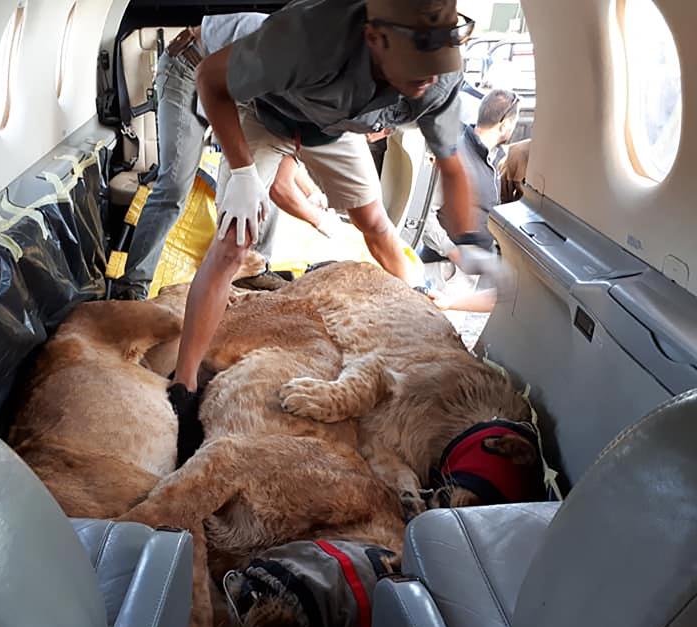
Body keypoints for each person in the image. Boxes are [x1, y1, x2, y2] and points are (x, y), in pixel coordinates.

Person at [168, 0, 495, 452]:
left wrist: (472, 239)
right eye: (419, 70)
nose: (430, 80)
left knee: (376, 223)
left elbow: (453, 166)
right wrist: (242, 173)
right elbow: (210, 80)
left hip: (331, 128)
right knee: (233, 244)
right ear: (376, 37)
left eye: (437, 68)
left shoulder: (437, 80)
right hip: (265, 111)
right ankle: (182, 388)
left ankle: (419, 314)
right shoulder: (307, 38)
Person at [112, 13, 339, 299]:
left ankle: (252, 269)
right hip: (189, 68)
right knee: (174, 185)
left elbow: (279, 149)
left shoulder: (317, 77)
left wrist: (311, 190)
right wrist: (318, 219)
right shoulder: (290, 52)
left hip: (236, 89)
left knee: (260, 174)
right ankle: (133, 283)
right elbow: (282, 185)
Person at [421, 88, 520, 311]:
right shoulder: (456, 156)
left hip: (466, 273)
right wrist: (453, 252)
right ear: (504, 125)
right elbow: (425, 215)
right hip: (448, 272)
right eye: (514, 123)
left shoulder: (493, 158)